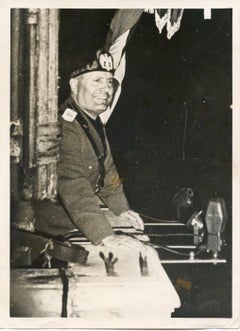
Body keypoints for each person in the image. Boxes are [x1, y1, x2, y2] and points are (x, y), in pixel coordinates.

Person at [34, 50, 145, 251]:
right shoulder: (65, 126)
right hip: (52, 225)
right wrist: (104, 236)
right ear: (74, 85)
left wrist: (122, 209)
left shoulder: (89, 121)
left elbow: (108, 170)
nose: (106, 89)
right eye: (97, 81)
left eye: (110, 81)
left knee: (136, 237)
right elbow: (72, 184)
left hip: (74, 217)